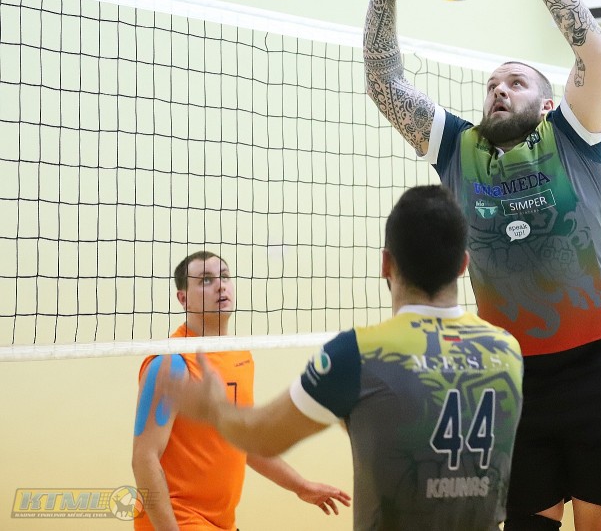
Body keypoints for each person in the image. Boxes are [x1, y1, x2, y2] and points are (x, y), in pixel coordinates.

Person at [363, 0, 601, 531]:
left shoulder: (572, 136)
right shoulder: (457, 149)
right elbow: (385, 87)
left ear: (547, 104)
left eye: (516, 82)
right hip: (511, 373)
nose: (499, 89)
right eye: (492, 84)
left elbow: (594, 53)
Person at [156, 186, 525, 530]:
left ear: (386, 264)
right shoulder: (506, 349)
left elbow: (262, 437)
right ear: (463, 264)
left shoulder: (357, 354)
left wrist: (215, 408)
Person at [131, 250, 351, 530]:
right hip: (178, 519)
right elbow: (144, 458)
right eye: (206, 280)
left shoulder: (241, 355)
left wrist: (300, 486)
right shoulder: (170, 362)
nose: (220, 285)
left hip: (222, 522)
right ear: (183, 298)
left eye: (224, 276)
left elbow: (243, 439)